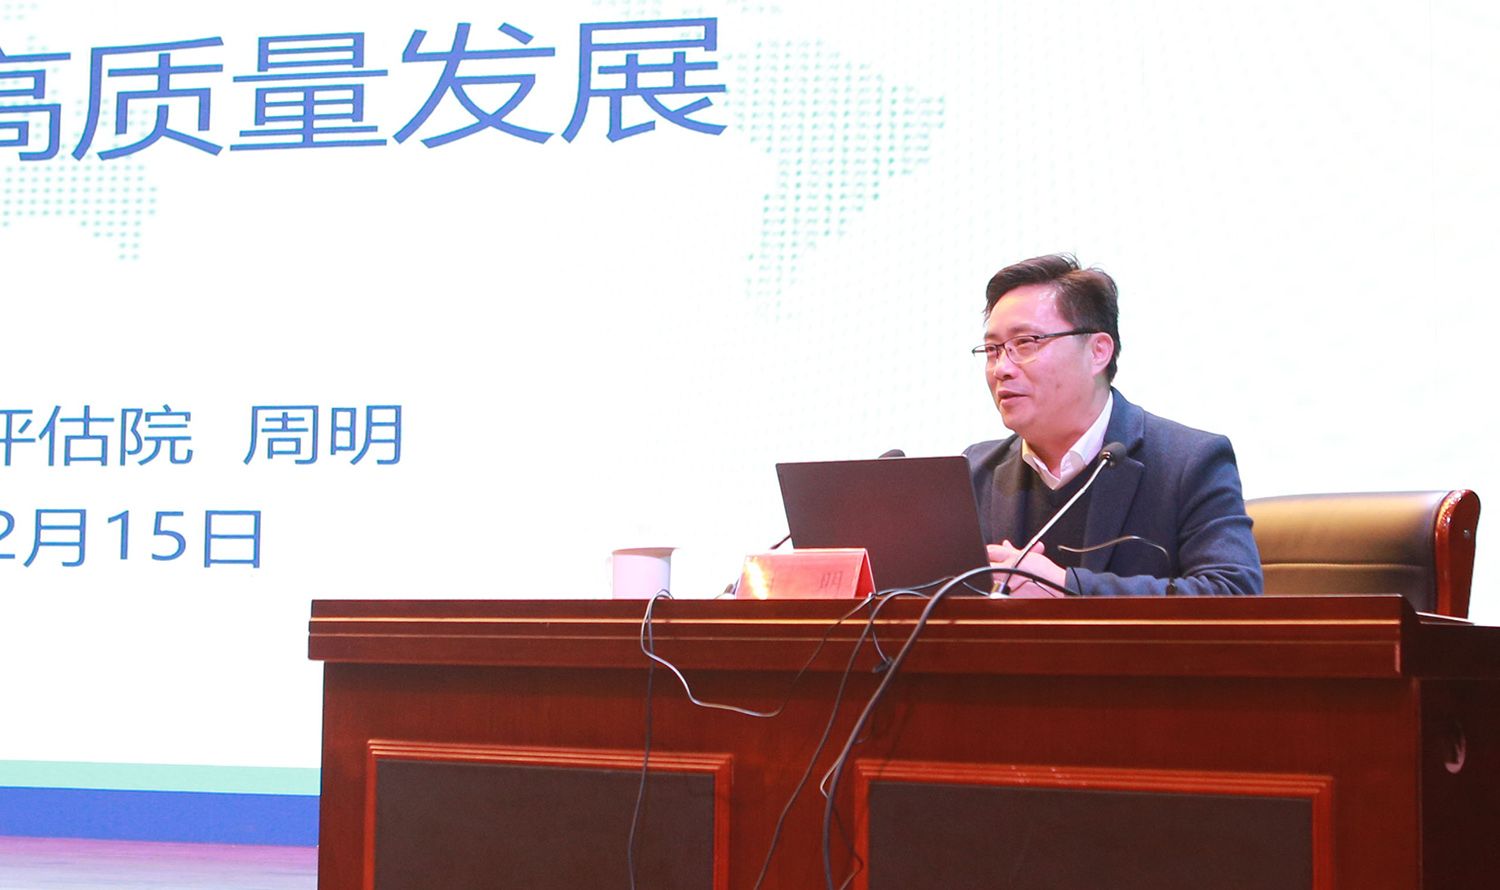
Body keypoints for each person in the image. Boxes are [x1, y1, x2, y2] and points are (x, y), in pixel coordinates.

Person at [965, 254, 1262, 597]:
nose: (1001, 368)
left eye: (1025, 343)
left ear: (1098, 351)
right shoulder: (974, 471)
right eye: (992, 350)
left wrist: (1067, 587)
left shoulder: (1189, 462)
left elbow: (1233, 591)